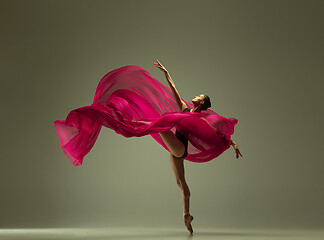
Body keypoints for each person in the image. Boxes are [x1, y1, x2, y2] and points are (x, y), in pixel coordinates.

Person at [153, 60, 243, 235]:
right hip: (176, 154)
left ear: (201, 103)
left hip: (179, 149)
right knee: (181, 185)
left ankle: (130, 122)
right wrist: (166, 72)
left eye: (199, 96)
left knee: (160, 123)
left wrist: (232, 143)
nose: (195, 96)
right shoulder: (185, 109)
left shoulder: (202, 120)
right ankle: (187, 216)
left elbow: (218, 136)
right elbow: (173, 88)